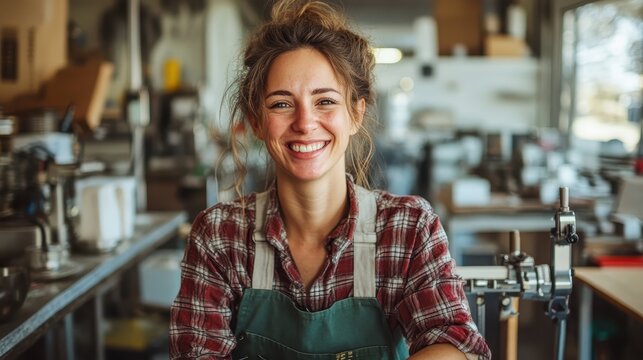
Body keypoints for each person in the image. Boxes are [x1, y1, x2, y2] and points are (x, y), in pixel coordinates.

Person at [169, 0, 491, 359]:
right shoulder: (219, 236)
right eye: (281, 104)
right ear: (256, 121)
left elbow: (451, 342)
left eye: (325, 102)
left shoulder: (408, 228)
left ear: (356, 113)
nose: (305, 123)